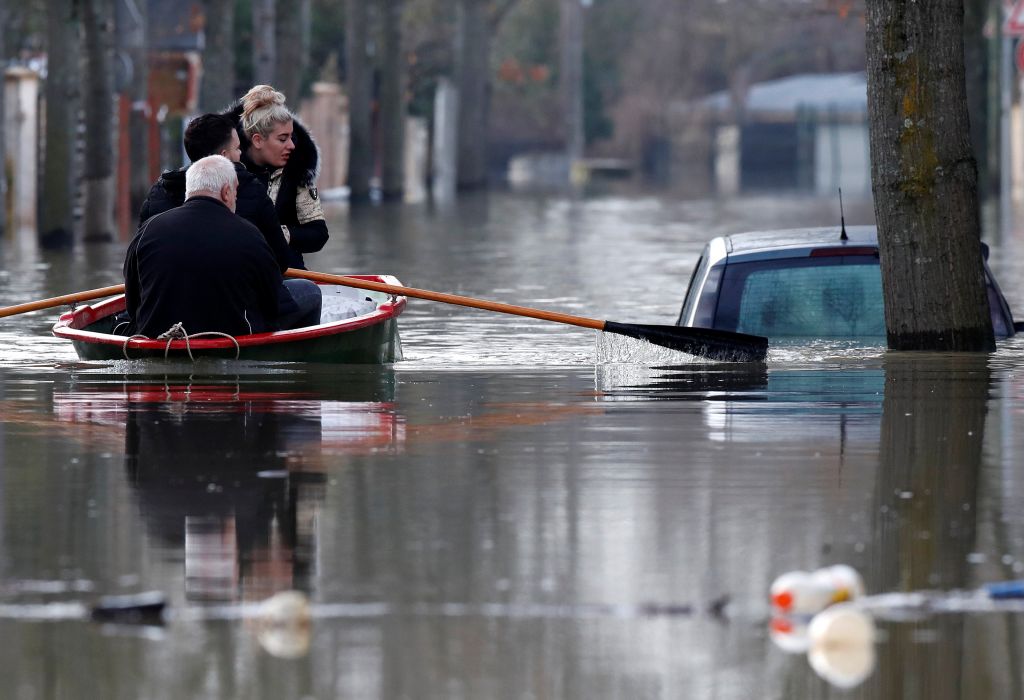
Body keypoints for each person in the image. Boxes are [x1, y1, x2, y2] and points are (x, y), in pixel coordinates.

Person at [136, 113, 322, 330]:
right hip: (234, 315)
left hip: (164, 318)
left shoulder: (158, 195)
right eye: (238, 148)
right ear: (227, 192)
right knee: (310, 291)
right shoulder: (250, 197)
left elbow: (137, 277)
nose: (241, 154)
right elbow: (277, 264)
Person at [124, 155, 284, 338]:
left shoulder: (148, 229)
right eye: (236, 192)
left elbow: (132, 301)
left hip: (155, 341)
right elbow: (272, 303)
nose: (236, 198)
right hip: (230, 341)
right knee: (305, 292)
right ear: (226, 192)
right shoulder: (251, 235)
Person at [224, 85, 328, 271]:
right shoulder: (223, 170)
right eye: (282, 139)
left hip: (288, 273)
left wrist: (280, 233)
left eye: (292, 137)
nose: (292, 146)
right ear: (257, 140)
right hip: (234, 271)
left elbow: (318, 234)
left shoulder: (299, 170)